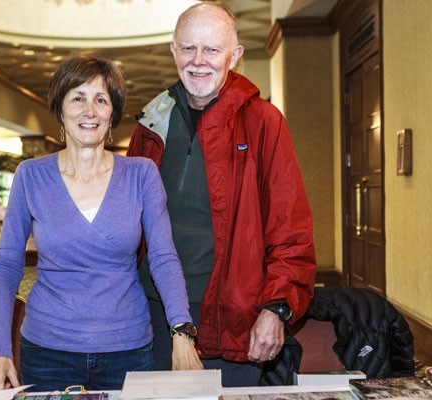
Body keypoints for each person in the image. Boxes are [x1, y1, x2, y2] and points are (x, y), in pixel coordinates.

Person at [0, 55, 202, 392]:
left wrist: (181, 331)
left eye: (101, 99)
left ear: (112, 112)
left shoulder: (141, 174)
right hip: (48, 351)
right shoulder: (31, 175)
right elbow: (8, 265)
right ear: (60, 109)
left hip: (127, 349)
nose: (90, 110)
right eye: (78, 98)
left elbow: (163, 257)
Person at [126, 2, 317, 387]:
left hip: (232, 319)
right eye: (188, 48)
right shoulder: (149, 127)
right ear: (173, 51)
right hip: (152, 316)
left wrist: (276, 308)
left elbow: (290, 228)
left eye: (212, 49)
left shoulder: (264, 123)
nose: (199, 61)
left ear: (235, 56)